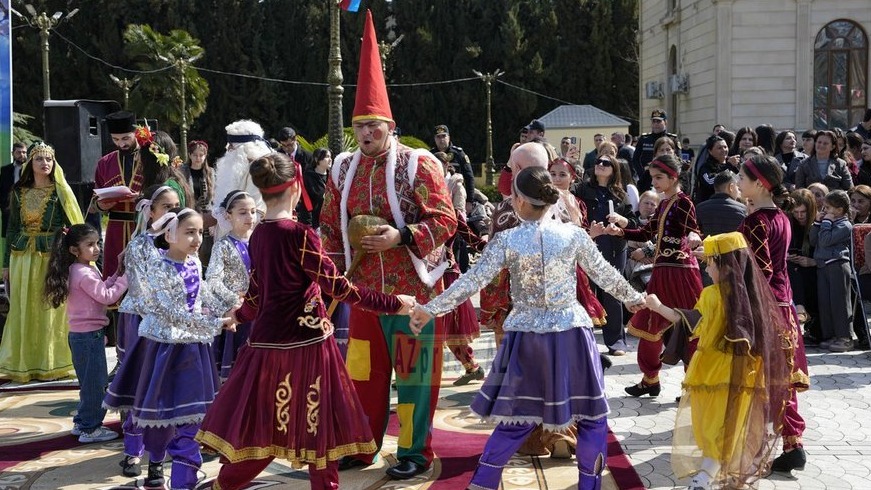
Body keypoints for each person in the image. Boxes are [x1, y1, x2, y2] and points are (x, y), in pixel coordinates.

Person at [410, 166, 646, 490]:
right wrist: (634, 298)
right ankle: (588, 486)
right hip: (573, 335)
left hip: (528, 338)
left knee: (517, 418)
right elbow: (604, 275)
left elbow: (471, 281)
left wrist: (429, 310)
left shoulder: (508, 240)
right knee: (591, 417)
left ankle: (483, 483)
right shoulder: (574, 235)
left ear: (518, 201)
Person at [196, 152, 414, 490]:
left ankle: (223, 486)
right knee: (320, 434)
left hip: (266, 348)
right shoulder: (299, 235)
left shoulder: (259, 235)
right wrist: (393, 303)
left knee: (264, 428)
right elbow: (340, 289)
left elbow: (256, 296)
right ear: (297, 187)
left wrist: (238, 315)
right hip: (310, 348)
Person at [318, 10, 458, 480]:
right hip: (362, 297)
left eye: (374, 124)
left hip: (413, 294)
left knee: (416, 380)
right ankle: (361, 446)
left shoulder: (419, 164)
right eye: (359, 125)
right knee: (362, 377)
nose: (366, 133)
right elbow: (328, 228)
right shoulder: (341, 169)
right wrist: (330, 281)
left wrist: (403, 236)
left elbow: (445, 219)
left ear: (390, 124)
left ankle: (415, 452)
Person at [104, 208, 237, 490]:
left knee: (191, 420)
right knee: (161, 418)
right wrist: (215, 324)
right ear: (170, 234)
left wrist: (234, 304)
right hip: (164, 350)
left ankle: (183, 480)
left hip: (193, 349)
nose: (197, 238)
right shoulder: (158, 268)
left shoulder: (194, 263)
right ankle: (152, 465)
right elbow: (169, 312)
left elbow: (201, 292)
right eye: (190, 232)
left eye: (200, 232)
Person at [647, 232, 791, 490]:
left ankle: (703, 477)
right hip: (744, 373)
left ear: (725, 267)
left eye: (710, 263)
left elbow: (692, 322)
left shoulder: (712, 295)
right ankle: (721, 472)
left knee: (710, 426)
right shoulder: (754, 298)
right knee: (731, 425)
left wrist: (657, 306)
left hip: (712, 372)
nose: (707, 268)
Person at [601, 154, 703, 398]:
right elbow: (646, 231)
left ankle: (693, 386)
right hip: (661, 272)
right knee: (648, 325)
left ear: (673, 177)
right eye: (653, 177)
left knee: (689, 326)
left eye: (659, 177)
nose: (654, 182)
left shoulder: (683, 202)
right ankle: (650, 380)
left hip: (681, 273)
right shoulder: (664, 203)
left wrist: (694, 238)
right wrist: (620, 232)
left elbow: (694, 230)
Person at [735, 154, 810, 473]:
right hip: (784, 304)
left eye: (742, 177)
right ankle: (792, 444)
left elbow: (760, 271)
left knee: (761, 377)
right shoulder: (781, 216)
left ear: (759, 184)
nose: (737, 182)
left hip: (765, 308)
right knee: (780, 380)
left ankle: (756, 443)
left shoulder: (755, 222)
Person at [0, 141, 84, 382]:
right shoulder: (18, 192)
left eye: (49, 159)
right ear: (30, 163)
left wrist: (74, 257)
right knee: (24, 308)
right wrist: (6, 264)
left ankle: (52, 363)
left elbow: (74, 226)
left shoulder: (61, 192)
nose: (44, 163)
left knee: (50, 308)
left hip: (52, 257)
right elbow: (12, 227)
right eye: (39, 159)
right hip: (22, 258)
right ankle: (26, 363)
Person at [113, 184, 181, 478]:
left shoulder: (181, 241)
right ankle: (132, 453)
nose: (173, 212)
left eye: (177, 206)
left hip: (171, 327)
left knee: (165, 389)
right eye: (167, 207)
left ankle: (158, 455)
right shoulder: (140, 245)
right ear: (150, 211)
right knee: (139, 388)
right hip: (141, 324)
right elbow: (141, 292)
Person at [44, 223, 127, 443]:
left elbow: (101, 289)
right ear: (73, 250)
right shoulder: (84, 273)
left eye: (97, 243)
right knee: (96, 384)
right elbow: (108, 297)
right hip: (89, 337)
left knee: (89, 382)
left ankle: (83, 422)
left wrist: (117, 273)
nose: (96, 248)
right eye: (90, 245)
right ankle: (90, 428)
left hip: (82, 336)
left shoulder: (79, 269)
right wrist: (126, 279)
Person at [577, 154, 636, 356]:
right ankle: (585, 341)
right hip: (589, 246)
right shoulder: (583, 189)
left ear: (614, 169)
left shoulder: (621, 195)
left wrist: (621, 221)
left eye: (606, 163)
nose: (600, 166)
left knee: (612, 292)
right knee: (587, 291)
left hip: (614, 246)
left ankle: (616, 342)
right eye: (598, 163)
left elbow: (634, 224)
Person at [206, 190, 257, 380]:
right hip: (236, 313)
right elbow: (212, 280)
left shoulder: (260, 241)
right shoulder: (223, 245)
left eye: (253, 211)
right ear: (229, 215)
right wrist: (236, 300)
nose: (249, 217)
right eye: (243, 212)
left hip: (259, 314)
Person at [94, 111, 143, 280]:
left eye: (125, 138)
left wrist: (141, 197)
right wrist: (101, 205)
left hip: (142, 225)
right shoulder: (104, 163)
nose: (120, 144)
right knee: (115, 271)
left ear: (136, 133)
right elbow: (94, 204)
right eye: (115, 139)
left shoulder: (151, 157)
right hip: (115, 227)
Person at [810, 190, 855, 352]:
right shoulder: (825, 222)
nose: (824, 211)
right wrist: (817, 222)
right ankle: (831, 335)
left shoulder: (845, 225)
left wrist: (826, 223)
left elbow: (826, 240)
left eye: (828, 208)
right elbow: (814, 240)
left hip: (838, 265)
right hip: (823, 266)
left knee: (839, 303)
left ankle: (845, 337)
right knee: (825, 303)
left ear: (840, 210)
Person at [211, 120, 274, 215]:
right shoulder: (242, 168)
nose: (228, 149)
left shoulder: (259, 171)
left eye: (231, 145)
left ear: (246, 148)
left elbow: (255, 211)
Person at [786, 189, 820, 345]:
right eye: (796, 212)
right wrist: (785, 256)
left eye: (803, 212)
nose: (799, 216)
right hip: (794, 267)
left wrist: (812, 261)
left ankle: (802, 310)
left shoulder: (818, 224)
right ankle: (800, 309)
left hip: (814, 267)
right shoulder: (788, 222)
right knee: (792, 268)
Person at [181, 139, 216, 266]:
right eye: (195, 155)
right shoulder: (182, 171)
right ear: (189, 155)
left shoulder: (210, 172)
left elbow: (214, 197)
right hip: (189, 212)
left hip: (206, 216)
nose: (198, 158)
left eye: (201, 155)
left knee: (207, 250)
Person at [632, 109, 680, 191]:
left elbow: (678, 159)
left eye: (658, 121)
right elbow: (635, 159)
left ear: (665, 122)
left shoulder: (672, 139)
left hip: (668, 178)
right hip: (647, 179)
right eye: (653, 122)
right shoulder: (644, 139)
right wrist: (643, 174)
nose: (656, 124)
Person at [695, 170, 747, 237]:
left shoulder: (700, 208)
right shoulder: (743, 209)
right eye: (737, 187)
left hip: (708, 247)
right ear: (731, 187)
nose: (738, 191)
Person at [432, 124, 475, 203]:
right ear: (434, 139)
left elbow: (469, 177)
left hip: (457, 195)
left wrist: (469, 201)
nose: (441, 139)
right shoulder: (430, 155)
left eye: (444, 136)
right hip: (437, 195)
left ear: (449, 137)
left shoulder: (458, 154)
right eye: (438, 137)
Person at [296, 147, 331, 229]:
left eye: (330, 157)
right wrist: (309, 227)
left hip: (331, 223)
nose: (330, 159)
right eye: (327, 157)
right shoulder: (308, 178)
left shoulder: (333, 176)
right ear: (317, 159)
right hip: (315, 224)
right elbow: (306, 204)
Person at [692, 136, 734, 203]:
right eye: (719, 148)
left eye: (725, 147)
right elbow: (710, 182)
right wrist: (728, 167)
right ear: (710, 151)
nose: (724, 150)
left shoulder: (732, 163)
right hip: (709, 206)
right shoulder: (705, 167)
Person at [0, 142, 27, 241]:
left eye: (24, 152)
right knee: (10, 239)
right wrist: (4, 206)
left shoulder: (31, 170)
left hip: (27, 209)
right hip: (9, 209)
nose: (22, 155)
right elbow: (2, 189)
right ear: (13, 154)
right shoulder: (5, 170)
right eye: (19, 152)